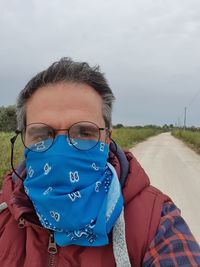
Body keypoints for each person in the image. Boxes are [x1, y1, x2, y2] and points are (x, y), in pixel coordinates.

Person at [0, 57, 199, 267]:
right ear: (24, 140)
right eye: (42, 134)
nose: (60, 152)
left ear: (107, 138)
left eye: (83, 132)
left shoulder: (156, 221)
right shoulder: (4, 215)